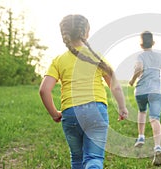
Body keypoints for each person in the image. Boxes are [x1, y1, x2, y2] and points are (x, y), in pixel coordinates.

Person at [39, 14, 128, 169]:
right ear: (86, 32)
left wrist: (54, 113)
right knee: (94, 158)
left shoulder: (58, 60)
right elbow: (115, 86)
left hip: (70, 113)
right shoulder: (97, 57)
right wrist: (122, 107)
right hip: (97, 111)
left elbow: (44, 90)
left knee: (77, 159)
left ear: (64, 34)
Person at [129, 31, 161, 166]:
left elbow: (138, 68)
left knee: (142, 112)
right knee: (154, 119)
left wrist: (132, 80)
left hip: (140, 90)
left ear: (141, 44)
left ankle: (141, 137)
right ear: (153, 43)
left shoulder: (140, 56)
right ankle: (157, 147)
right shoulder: (160, 56)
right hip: (155, 92)